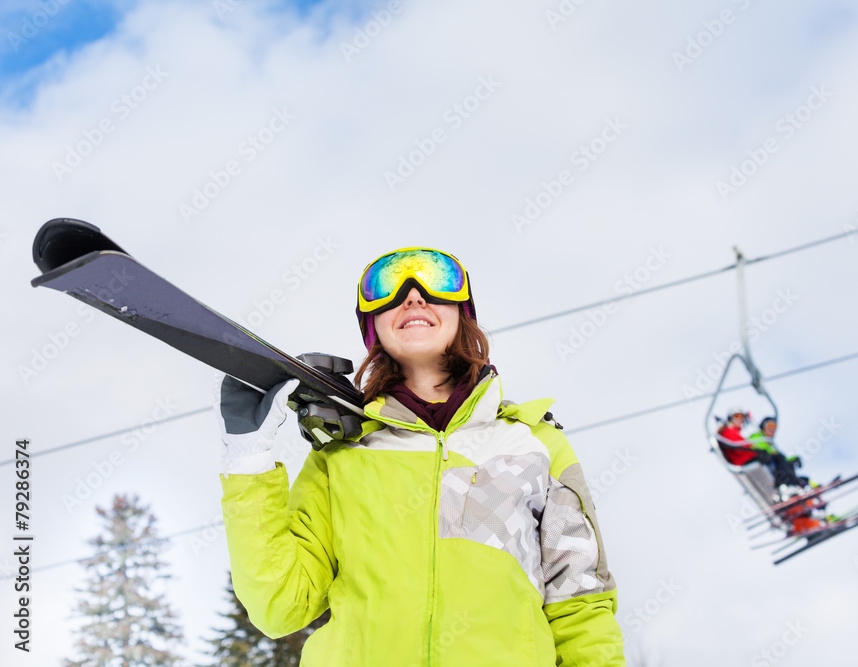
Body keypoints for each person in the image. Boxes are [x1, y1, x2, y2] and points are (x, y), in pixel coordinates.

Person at [215, 247, 626, 666]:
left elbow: (581, 606)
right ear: (373, 327)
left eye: (436, 280)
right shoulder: (343, 457)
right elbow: (280, 605)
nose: (413, 296)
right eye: (388, 289)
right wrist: (248, 458)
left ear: (463, 314)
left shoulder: (534, 446)